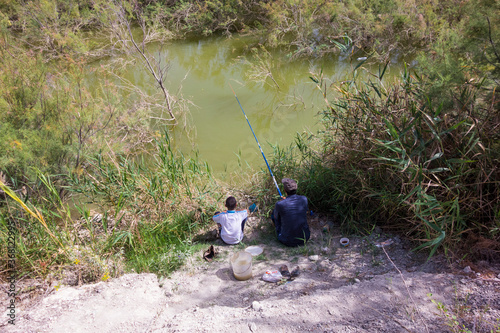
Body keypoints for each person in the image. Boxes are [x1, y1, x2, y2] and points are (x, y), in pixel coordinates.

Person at [271, 178, 310, 247]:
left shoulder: (279, 204)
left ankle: (280, 232)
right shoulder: (304, 199)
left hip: (286, 240)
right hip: (304, 238)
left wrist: (283, 202)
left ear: (284, 190)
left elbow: (276, 217)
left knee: (274, 214)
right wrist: (286, 201)